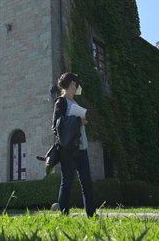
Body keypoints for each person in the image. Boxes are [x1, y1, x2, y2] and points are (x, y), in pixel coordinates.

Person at [52, 72, 96, 217]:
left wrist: (81, 122)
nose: (77, 88)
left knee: (87, 183)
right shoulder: (61, 102)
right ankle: (64, 215)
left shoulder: (75, 103)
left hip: (81, 147)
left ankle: (92, 214)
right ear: (71, 85)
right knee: (67, 183)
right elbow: (56, 125)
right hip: (68, 149)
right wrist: (78, 121)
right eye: (76, 85)